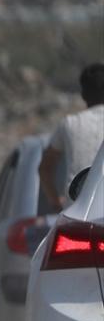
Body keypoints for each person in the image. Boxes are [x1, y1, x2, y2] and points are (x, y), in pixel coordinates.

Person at [39, 63, 104, 211]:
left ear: (83, 95)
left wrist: (56, 202)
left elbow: (45, 168)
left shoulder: (70, 124)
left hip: (76, 211)